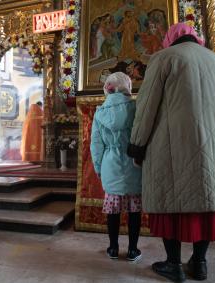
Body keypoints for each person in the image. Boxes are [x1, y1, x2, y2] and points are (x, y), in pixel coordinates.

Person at [128, 23, 215, 282]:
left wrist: (137, 146)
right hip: (213, 143)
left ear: (170, 38)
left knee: (172, 202)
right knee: (207, 201)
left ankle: (173, 264)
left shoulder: (163, 58)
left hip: (172, 143)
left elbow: (146, 108)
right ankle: (199, 263)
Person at [90, 72, 142, 262]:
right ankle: (132, 250)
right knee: (134, 210)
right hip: (134, 163)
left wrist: (98, 167)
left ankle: (113, 248)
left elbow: (96, 144)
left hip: (110, 163)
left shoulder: (100, 112)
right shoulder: (137, 108)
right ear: (127, 87)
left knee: (113, 210)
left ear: (108, 88)